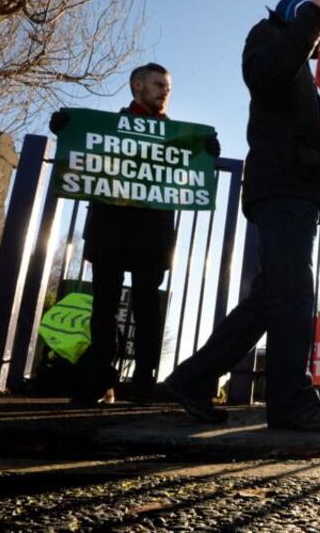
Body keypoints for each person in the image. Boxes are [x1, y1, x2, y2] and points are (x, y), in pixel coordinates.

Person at [161, 0, 320, 430]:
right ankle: (291, 400)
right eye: (319, 33)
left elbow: (316, 151)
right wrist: (314, 13)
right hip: (282, 191)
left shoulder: (298, 70)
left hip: (296, 188)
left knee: (269, 301)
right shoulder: (267, 38)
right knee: (292, 296)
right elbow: (268, 76)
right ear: (297, 16)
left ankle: (192, 379)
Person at [50, 63, 220, 404]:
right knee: (104, 307)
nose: (164, 91)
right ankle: (98, 380)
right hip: (110, 228)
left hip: (151, 234)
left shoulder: (177, 138)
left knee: (146, 308)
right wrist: (66, 129)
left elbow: (191, 173)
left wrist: (207, 152)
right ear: (137, 85)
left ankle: (143, 383)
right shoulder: (106, 129)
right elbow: (84, 148)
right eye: (158, 84)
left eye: (167, 87)